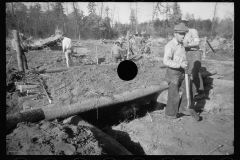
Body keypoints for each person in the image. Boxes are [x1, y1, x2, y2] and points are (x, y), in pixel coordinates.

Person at [163, 23, 190, 120]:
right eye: (181, 34)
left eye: (184, 34)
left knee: (188, 88)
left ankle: (183, 108)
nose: (183, 36)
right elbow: (166, 61)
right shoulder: (170, 45)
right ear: (175, 34)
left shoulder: (182, 45)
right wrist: (179, 64)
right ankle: (170, 114)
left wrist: (184, 62)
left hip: (182, 71)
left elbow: (181, 57)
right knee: (174, 94)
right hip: (173, 72)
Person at [181, 18, 205, 101]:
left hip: (194, 53)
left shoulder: (192, 31)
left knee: (195, 72)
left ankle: (200, 92)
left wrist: (187, 45)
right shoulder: (181, 33)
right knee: (187, 72)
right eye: (181, 23)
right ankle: (190, 92)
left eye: (184, 22)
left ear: (187, 23)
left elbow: (197, 42)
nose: (183, 24)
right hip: (186, 53)